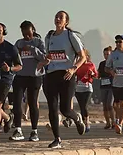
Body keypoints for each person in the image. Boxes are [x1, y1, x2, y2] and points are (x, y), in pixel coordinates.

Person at [40, 11, 87, 148]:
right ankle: (57, 139)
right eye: (56, 17)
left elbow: (82, 57)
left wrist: (73, 69)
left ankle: (77, 118)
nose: (58, 19)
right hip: (51, 75)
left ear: (66, 22)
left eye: (61, 17)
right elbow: (49, 56)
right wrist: (44, 61)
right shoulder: (49, 37)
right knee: (52, 108)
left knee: (65, 109)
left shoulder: (70, 36)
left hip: (67, 75)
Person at [11, 20, 46, 142]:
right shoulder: (18, 43)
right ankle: (18, 129)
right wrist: (18, 53)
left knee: (32, 103)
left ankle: (34, 131)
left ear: (33, 31)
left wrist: (31, 48)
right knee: (16, 102)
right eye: (23, 33)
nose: (26, 36)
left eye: (28, 33)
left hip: (34, 76)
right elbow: (13, 58)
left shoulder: (38, 42)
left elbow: (44, 57)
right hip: (20, 76)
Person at [74, 49, 98, 132]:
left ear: (87, 56)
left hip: (87, 87)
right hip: (78, 88)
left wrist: (92, 74)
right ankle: (83, 123)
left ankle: (87, 122)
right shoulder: (77, 65)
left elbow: (96, 75)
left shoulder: (91, 65)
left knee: (84, 106)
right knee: (81, 106)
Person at [98, 46, 115, 129]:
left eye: (107, 54)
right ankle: (108, 123)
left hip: (111, 86)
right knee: (105, 105)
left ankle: (114, 122)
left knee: (110, 104)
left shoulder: (113, 63)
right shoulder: (102, 64)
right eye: (104, 54)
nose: (106, 56)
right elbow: (98, 75)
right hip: (103, 86)